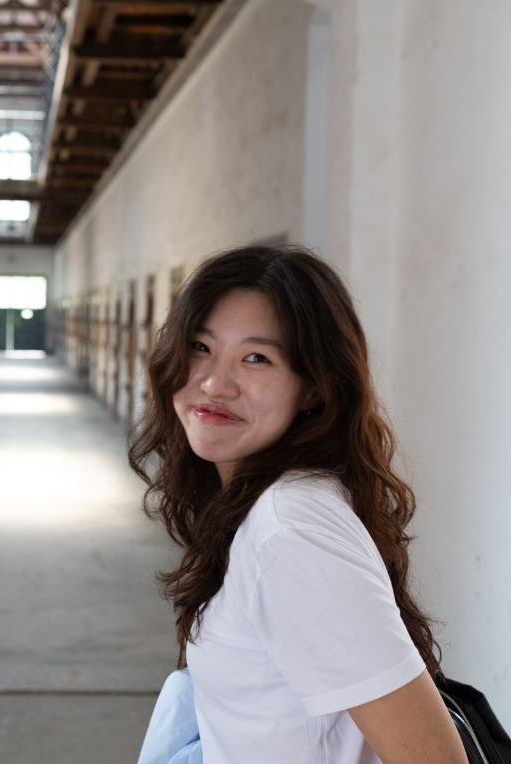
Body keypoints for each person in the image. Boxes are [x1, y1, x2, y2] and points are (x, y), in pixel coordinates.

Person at [129, 245, 466, 763]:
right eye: (200, 346)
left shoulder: (289, 530)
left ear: (313, 388)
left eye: (256, 358)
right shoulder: (258, 505)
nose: (214, 383)